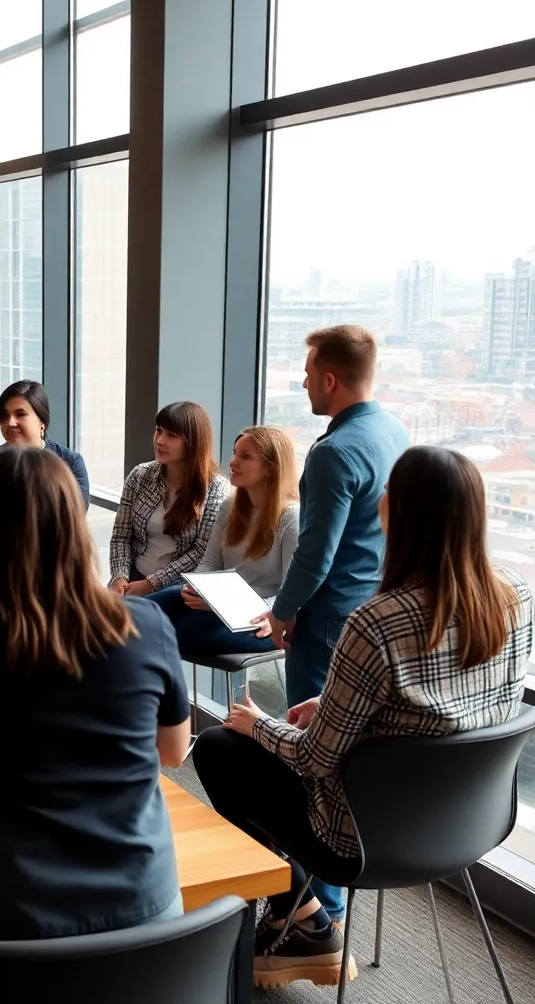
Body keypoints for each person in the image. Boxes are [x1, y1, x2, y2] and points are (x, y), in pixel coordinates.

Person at [192, 446, 533, 990]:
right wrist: (329, 704)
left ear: (404, 513)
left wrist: (255, 723)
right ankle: (298, 921)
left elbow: (316, 758)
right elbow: (449, 704)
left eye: (390, 490)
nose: (380, 498)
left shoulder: (377, 621)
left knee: (218, 748)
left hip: (365, 834)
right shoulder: (517, 595)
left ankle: (301, 918)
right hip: (467, 821)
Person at [0, 447, 191, 943]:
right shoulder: (147, 627)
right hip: (144, 918)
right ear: (73, 527)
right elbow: (172, 752)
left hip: (8, 924)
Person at [259, 325, 409, 926]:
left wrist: (282, 611)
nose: (302, 382)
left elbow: (316, 553)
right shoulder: (394, 432)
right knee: (352, 761)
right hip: (375, 609)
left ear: (330, 378)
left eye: (307, 371)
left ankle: (320, 907)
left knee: (313, 763)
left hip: (329, 623)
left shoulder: (334, 452)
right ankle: (332, 892)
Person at [149, 426, 299, 657]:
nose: (233, 462)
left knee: (167, 635)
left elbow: (296, 590)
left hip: (262, 618)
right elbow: (210, 562)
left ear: (271, 468)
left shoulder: (291, 517)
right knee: (133, 614)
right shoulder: (230, 506)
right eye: (235, 453)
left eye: (245, 457)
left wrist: (268, 612)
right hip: (220, 603)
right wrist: (198, 588)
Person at [109, 401, 229, 597]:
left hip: (176, 589)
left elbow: (201, 552)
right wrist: (119, 578)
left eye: (172, 436)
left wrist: (151, 584)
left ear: (194, 442)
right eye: (158, 431)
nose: (160, 440)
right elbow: (121, 535)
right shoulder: (140, 475)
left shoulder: (216, 487)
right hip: (132, 577)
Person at [0, 380, 89, 541]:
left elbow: (71, 518)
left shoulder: (69, 463)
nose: (10, 422)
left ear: (42, 422)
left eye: (21, 414)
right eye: (5, 415)